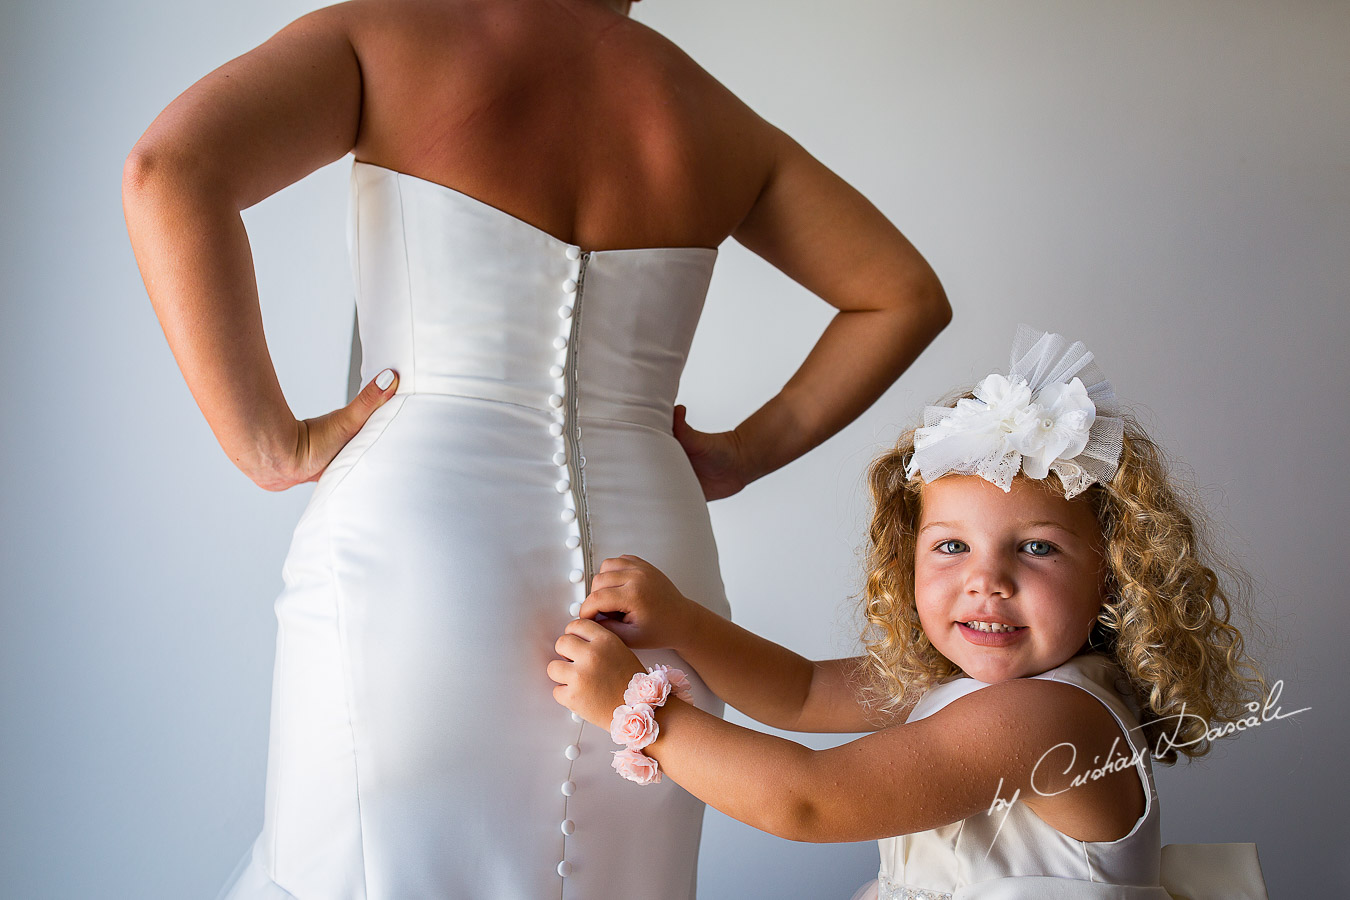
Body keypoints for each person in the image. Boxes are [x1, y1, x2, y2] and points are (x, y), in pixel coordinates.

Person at [121, 0, 950, 897]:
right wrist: (743, 454)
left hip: (423, 542)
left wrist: (267, 441)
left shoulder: (387, 37)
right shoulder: (710, 114)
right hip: (655, 559)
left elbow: (169, 167)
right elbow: (901, 293)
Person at [550, 327, 1272, 899]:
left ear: (1113, 578)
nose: (986, 581)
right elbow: (800, 692)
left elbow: (808, 802)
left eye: (1039, 549)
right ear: (908, 561)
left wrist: (634, 708)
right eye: (952, 545)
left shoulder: (1049, 719)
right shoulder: (956, 683)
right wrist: (684, 625)